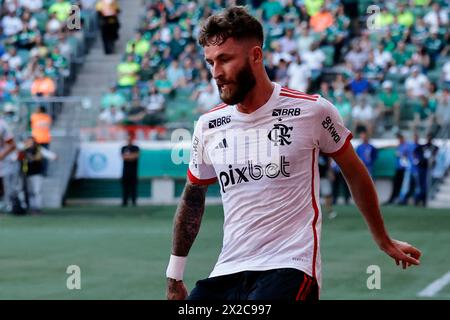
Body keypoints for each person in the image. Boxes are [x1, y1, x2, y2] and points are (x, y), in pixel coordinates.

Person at [166, 7, 421, 301]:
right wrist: (175, 275)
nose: (216, 73)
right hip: (228, 269)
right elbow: (193, 196)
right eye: (211, 62)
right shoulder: (208, 125)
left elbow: (354, 171)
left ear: (256, 56)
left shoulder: (312, 111)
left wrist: (383, 240)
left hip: (290, 268)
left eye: (225, 59)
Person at [18, 136, 57, 214]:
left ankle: (37, 207)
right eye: (28, 141)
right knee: (29, 191)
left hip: (36, 173)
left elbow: (51, 156)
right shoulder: (23, 149)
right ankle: (31, 207)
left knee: (37, 191)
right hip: (26, 173)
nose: (30, 143)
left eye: (31, 141)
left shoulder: (39, 149)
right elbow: (16, 154)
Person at [386, 132, 409, 205]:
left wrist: (400, 154)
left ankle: (399, 199)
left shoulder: (405, 146)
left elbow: (404, 156)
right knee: (396, 184)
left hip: (403, 168)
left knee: (400, 184)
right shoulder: (399, 146)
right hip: (398, 168)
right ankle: (394, 198)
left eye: (400, 138)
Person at [121, 133, 139, 207]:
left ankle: (134, 202)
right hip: (125, 171)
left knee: (133, 187)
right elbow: (123, 157)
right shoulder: (123, 148)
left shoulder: (136, 147)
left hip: (133, 171)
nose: (129, 140)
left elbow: (135, 156)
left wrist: (129, 156)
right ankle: (124, 202)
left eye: (130, 139)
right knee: (125, 187)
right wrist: (130, 156)